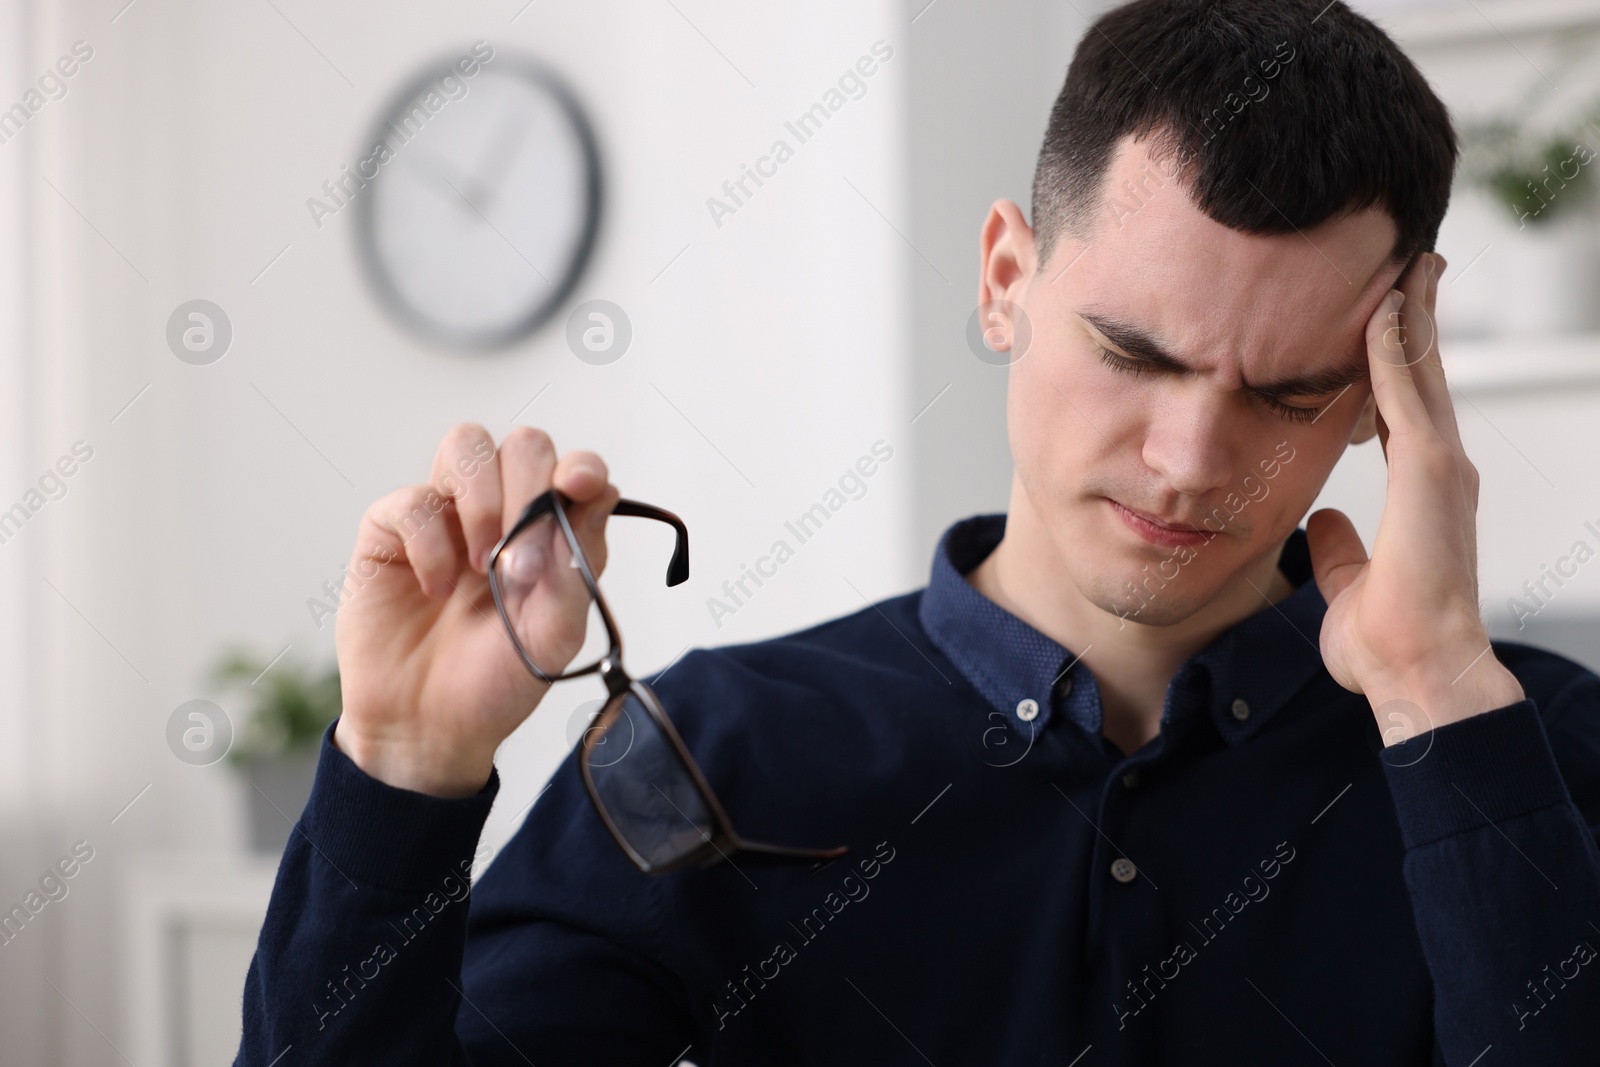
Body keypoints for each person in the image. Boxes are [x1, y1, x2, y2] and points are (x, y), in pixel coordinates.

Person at [235, 1, 1600, 1063]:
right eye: (1132, 353)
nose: (1190, 464)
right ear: (1007, 279)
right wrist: (401, 776)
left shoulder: (1529, 750)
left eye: (1289, 392)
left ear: (1386, 385)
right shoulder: (721, 754)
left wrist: (1436, 701)